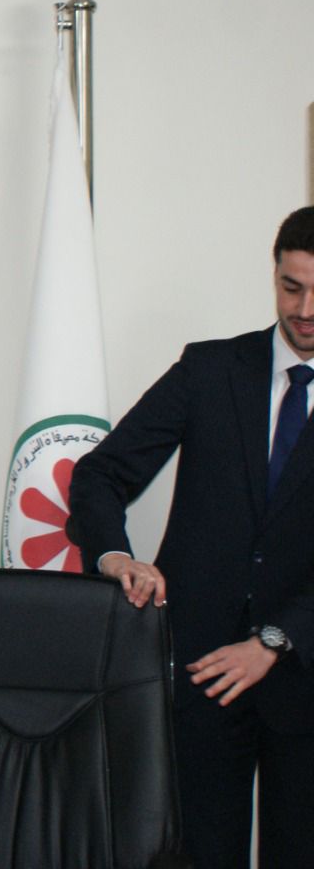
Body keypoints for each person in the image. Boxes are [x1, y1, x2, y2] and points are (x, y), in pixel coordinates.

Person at [68, 206, 314, 869]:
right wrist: (114, 555)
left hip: (304, 675)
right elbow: (100, 474)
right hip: (199, 675)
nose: (305, 310)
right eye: (291, 287)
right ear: (274, 277)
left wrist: (275, 640)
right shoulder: (210, 370)